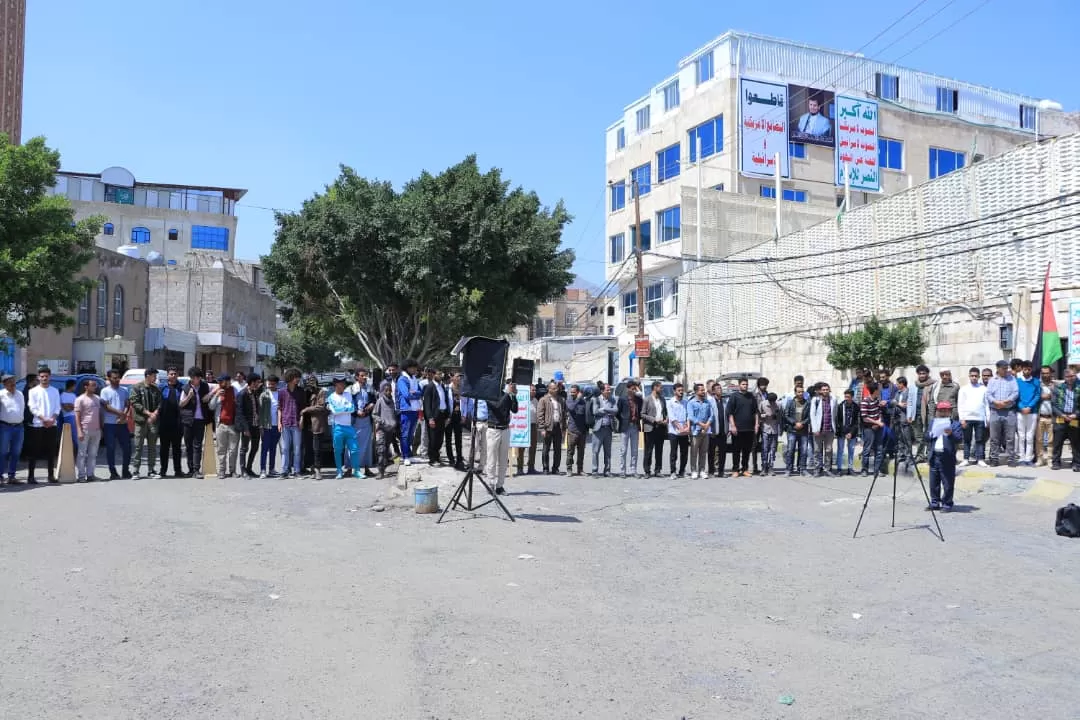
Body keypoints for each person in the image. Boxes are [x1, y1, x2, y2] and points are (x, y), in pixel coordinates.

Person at [26, 367, 62, 484]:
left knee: (51, 451)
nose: (44, 378)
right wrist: (43, 419)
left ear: (50, 377)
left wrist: (52, 419)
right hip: (38, 424)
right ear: (38, 377)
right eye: (42, 376)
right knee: (34, 451)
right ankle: (31, 476)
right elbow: (32, 407)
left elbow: (58, 407)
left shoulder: (55, 391)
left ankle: (51, 476)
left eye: (46, 376)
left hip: (52, 424)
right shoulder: (33, 391)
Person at [926, 401, 963, 511]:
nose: (942, 413)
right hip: (934, 455)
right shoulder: (933, 422)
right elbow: (926, 437)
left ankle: (947, 503)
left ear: (949, 412)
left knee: (947, 482)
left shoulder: (955, 424)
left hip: (947, 456)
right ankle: (935, 502)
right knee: (934, 482)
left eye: (945, 411)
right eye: (940, 410)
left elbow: (959, 439)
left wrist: (951, 433)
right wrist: (930, 434)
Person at [484, 379, 519, 495]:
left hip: (505, 429)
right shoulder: (489, 395)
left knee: (503, 460)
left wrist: (513, 396)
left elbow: (514, 410)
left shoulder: (507, 395)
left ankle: (500, 486)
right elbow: (497, 406)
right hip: (493, 430)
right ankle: (491, 484)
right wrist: (509, 394)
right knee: (491, 460)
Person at [130, 367, 163, 480]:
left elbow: (160, 403)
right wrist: (149, 414)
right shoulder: (137, 387)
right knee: (138, 447)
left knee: (152, 447)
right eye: (154, 376)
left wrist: (155, 413)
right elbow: (135, 402)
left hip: (153, 422)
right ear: (148, 375)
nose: (155, 378)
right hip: (141, 422)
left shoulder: (156, 389)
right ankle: (136, 471)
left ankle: (151, 470)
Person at [326, 375, 361, 479]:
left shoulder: (348, 395)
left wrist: (341, 409)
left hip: (349, 427)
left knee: (354, 449)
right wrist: (344, 408)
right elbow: (334, 411)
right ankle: (339, 471)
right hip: (337, 427)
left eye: (344, 384)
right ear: (336, 385)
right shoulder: (331, 397)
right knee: (338, 450)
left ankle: (357, 471)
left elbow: (352, 408)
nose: (343, 386)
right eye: (341, 384)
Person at [985, 359, 1019, 467]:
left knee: (1010, 437)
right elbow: (988, 394)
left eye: (1006, 368)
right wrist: (996, 402)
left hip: (1009, 411)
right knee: (994, 437)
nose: (1006, 370)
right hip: (995, 411)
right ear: (998, 369)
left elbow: (1015, 392)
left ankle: (1011, 458)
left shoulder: (1012, 379)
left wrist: (1006, 402)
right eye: (1003, 368)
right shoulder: (992, 380)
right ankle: (994, 458)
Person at [180, 367, 211, 478]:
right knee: (189, 446)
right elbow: (181, 404)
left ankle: (197, 470)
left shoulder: (204, 386)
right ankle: (191, 469)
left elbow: (206, 399)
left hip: (200, 420)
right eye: (194, 377)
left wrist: (208, 396)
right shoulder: (186, 388)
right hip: (188, 420)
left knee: (197, 445)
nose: (196, 379)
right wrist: (189, 397)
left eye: (198, 377)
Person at [100, 369, 132, 480]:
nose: (117, 380)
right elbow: (106, 407)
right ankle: (113, 472)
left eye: (118, 377)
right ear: (109, 378)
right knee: (111, 448)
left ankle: (125, 470)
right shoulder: (105, 391)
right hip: (110, 424)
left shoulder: (124, 390)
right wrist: (120, 413)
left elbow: (128, 404)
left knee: (127, 448)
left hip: (122, 424)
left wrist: (125, 415)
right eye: (114, 377)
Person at [209, 374, 241, 478]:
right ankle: (222, 471)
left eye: (221, 381)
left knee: (233, 450)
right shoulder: (218, 391)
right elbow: (211, 406)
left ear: (227, 381)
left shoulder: (234, 390)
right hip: (221, 425)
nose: (219, 383)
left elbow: (239, 405)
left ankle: (233, 470)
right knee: (221, 450)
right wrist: (216, 395)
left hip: (233, 425)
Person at [278, 368, 307, 478]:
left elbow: (303, 408)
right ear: (290, 378)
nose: (298, 379)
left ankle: (297, 470)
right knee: (285, 448)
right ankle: (284, 470)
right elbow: (279, 408)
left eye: (298, 377)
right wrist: (279, 422)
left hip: (296, 423)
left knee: (297, 448)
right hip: (285, 422)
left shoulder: (301, 391)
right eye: (296, 377)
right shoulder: (282, 392)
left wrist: (301, 420)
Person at [727, 378, 759, 477]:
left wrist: (756, 424)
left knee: (747, 450)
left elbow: (755, 412)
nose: (745, 386)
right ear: (739, 385)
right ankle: (735, 469)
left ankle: (745, 469)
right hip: (737, 428)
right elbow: (730, 413)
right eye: (743, 384)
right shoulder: (734, 396)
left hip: (749, 428)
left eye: (746, 384)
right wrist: (733, 425)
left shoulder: (751, 397)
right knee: (736, 450)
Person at [957, 367, 988, 468]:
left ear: (979, 377)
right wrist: (962, 419)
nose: (974, 378)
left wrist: (987, 418)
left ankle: (980, 459)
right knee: (967, 440)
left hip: (980, 418)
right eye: (972, 376)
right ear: (969, 376)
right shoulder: (963, 389)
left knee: (980, 440)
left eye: (976, 376)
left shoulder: (983, 389)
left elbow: (986, 404)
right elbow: (960, 404)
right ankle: (966, 459)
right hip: (967, 418)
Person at [74, 378, 103, 482]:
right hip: (84, 430)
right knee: (82, 454)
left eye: (95, 385)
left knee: (93, 454)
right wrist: (79, 430)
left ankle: (90, 475)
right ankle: (81, 476)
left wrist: (101, 428)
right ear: (86, 387)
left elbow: (100, 414)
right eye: (92, 385)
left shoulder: (97, 399)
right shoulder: (80, 399)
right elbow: (77, 416)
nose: (94, 387)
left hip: (96, 430)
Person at [1051, 367, 1080, 471]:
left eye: (1072, 376)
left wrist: (1075, 415)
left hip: (1074, 419)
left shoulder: (1079, 387)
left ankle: (1077, 463)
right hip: (1061, 418)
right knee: (1057, 442)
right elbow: (1053, 405)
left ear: (1075, 375)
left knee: (1076, 443)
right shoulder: (1058, 388)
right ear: (1065, 377)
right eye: (1068, 376)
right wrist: (1062, 414)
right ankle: (1056, 462)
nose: (1070, 378)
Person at [158, 367, 184, 478]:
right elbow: (157, 403)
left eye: (175, 374)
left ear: (178, 375)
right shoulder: (161, 387)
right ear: (167, 375)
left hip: (178, 422)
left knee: (177, 448)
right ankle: (163, 470)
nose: (173, 376)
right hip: (164, 422)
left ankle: (178, 470)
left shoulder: (182, 387)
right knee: (164, 448)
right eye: (171, 374)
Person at [395, 359, 423, 466]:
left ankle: (410, 455)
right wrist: (416, 394)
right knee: (405, 435)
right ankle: (405, 456)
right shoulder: (402, 379)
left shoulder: (414, 379)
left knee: (411, 434)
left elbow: (421, 392)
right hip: (406, 410)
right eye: (413, 367)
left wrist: (415, 393)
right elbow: (406, 395)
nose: (415, 369)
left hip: (415, 409)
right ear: (407, 368)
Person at [536, 380, 567, 475]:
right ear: (549, 389)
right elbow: (540, 415)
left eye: (556, 388)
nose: (556, 390)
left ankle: (555, 468)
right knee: (546, 448)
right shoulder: (543, 400)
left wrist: (564, 429)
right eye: (553, 388)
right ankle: (545, 468)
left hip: (558, 426)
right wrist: (542, 428)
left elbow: (564, 414)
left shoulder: (561, 399)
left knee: (557, 449)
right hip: (548, 427)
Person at [350, 368, 376, 477]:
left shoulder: (369, 388)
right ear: (357, 377)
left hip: (366, 420)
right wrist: (356, 412)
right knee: (354, 446)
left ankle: (366, 468)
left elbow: (374, 400)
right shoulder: (351, 389)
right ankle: (353, 468)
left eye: (365, 375)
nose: (364, 377)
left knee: (367, 446)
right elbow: (348, 403)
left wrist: (371, 405)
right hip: (355, 421)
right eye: (362, 375)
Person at [0, 374, 26, 484]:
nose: (13, 383)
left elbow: (22, 408)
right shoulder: (1, 395)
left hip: (19, 427)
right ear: (4, 384)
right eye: (10, 381)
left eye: (13, 381)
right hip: (5, 427)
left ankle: (12, 476)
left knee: (16, 452)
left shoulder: (20, 394)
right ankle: (0, 476)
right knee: (3, 452)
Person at [300, 387, 330, 480]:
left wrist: (306, 409)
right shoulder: (303, 392)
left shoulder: (321, 392)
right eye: (308, 383)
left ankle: (317, 469)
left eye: (313, 382)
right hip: (305, 425)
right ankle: (310, 468)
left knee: (317, 449)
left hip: (317, 425)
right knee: (308, 449)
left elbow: (321, 407)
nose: (310, 384)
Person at [809, 382, 837, 477]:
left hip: (829, 429)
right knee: (817, 450)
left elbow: (835, 414)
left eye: (827, 389)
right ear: (821, 390)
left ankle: (828, 469)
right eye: (823, 389)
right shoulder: (815, 400)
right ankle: (817, 469)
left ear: (829, 390)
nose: (825, 391)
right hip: (818, 430)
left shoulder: (833, 399)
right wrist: (814, 428)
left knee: (828, 450)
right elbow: (812, 415)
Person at [589, 383, 618, 476]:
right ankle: (594, 470)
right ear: (602, 391)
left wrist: (604, 409)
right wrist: (608, 410)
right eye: (607, 390)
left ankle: (607, 470)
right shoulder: (596, 399)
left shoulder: (612, 400)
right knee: (595, 451)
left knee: (608, 451)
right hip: (598, 429)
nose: (609, 391)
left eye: (610, 389)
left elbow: (615, 410)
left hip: (608, 428)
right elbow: (595, 411)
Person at [237, 373, 263, 477]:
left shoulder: (255, 393)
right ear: (252, 382)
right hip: (247, 426)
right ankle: (243, 470)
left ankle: (249, 468)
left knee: (255, 447)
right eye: (257, 382)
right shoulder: (242, 394)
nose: (259, 384)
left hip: (255, 425)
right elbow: (240, 413)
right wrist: (245, 428)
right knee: (244, 448)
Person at [1015, 361, 1040, 466]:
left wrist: (1029, 406)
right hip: (1020, 412)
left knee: (1030, 436)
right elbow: (1016, 396)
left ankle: (1029, 458)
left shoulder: (1036, 381)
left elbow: (1037, 395)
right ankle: (1021, 458)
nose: (1027, 371)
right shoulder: (1017, 381)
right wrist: (1021, 407)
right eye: (1025, 369)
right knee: (1021, 436)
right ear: (1022, 369)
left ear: (1031, 369)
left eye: (1029, 369)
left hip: (1032, 412)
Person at [783, 381, 810, 477]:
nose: (801, 393)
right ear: (795, 393)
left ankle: (802, 469)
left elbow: (809, 416)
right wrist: (794, 423)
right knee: (790, 450)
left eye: (802, 392)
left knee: (803, 451)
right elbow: (786, 415)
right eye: (799, 392)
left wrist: (802, 423)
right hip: (792, 430)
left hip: (803, 430)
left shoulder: (807, 403)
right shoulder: (790, 402)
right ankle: (789, 469)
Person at [422, 369, 448, 467]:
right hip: (433, 416)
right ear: (433, 375)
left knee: (440, 439)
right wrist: (430, 418)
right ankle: (432, 459)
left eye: (441, 374)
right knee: (433, 438)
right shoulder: (429, 387)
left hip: (442, 415)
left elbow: (444, 400)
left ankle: (437, 457)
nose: (440, 375)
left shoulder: (442, 386)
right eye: (438, 374)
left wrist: (447, 415)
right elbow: (427, 404)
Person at [641, 380, 667, 478]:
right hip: (650, 428)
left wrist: (665, 419)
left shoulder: (662, 399)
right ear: (655, 387)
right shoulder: (647, 399)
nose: (662, 389)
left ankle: (658, 470)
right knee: (648, 450)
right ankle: (647, 471)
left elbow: (665, 412)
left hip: (661, 428)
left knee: (659, 450)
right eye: (660, 387)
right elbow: (642, 414)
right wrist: (654, 420)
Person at [616, 380, 642, 477]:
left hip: (635, 426)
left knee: (634, 450)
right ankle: (622, 470)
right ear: (628, 389)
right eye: (632, 389)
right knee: (623, 450)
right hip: (625, 427)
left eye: (635, 388)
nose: (634, 390)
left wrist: (638, 390)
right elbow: (618, 412)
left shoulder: (638, 399)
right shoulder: (622, 399)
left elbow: (641, 409)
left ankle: (633, 470)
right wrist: (623, 419)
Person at [373, 380, 398, 478]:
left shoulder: (392, 401)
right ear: (383, 391)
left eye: (390, 390)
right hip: (382, 429)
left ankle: (385, 465)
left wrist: (394, 423)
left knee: (387, 450)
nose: (388, 392)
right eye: (386, 390)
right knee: (381, 450)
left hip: (390, 430)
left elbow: (393, 414)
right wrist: (382, 421)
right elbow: (374, 415)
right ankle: (380, 471)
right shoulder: (380, 401)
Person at [687, 383, 713, 479]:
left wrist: (707, 425)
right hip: (695, 431)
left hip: (705, 431)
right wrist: (701, 424)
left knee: (703, 452)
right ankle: (693, 471)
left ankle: (702, 470)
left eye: (704, 390)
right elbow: (691, 416)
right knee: (694, 452)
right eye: (701, 390)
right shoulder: (691, 403)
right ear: (696, 391)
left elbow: (711, 415)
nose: (703, 391)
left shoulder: (707, 402)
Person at [859, 380, 884, 476]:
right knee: (867, 449)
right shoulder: (865, 401)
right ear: (875, 390)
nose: (879, 391)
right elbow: (865, 417)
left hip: (878, 427)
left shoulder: (877, 401)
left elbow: (879, 413)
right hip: (869, 429)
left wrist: (879, 422)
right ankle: (864, 469)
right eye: (878, 389)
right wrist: (876, 422)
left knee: (879, 449)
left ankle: (877, 470)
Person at [259, 375, 281, 478]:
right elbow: (260, 411)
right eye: (269, 383)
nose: (271, 385)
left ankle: (271, 469)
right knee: (264, 448)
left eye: (273, 383)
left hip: (278, 426)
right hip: (266, 426)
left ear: (277, 384)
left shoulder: (281, 394)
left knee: (273, 448)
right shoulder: (264, 395)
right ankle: (263, 469)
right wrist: (261, 426)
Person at [565, 385, 589, 476]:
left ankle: (580, 469)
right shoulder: (569, 400)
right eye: (571, 392)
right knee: (570, 451)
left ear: (578, 392)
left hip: (582, 431)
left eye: (574, 392)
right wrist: (578, 399)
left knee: (581, 451)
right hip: (572, 430)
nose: (572, 393)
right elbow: (571, 408)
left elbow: (586, 415)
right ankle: (569, 469)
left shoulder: (583, 401)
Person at [834, 389, 860, 475]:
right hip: (842, 431)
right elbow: (838, 421)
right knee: (840, 450)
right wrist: (844, 432)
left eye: (848, 397)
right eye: (845, 396)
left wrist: (851, 433)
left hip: (852, 432)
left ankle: (850, 468)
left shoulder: (856, 407)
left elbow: (857, 422)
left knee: (851, 450)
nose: (846, 398)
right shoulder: (840, 406)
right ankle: (839, 468)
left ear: (852, 397)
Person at [515, 385, 539, 476]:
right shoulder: (521, 399)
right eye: (532, 390)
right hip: (522, 426)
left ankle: (531, 467)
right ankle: (520, 468)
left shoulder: (536, 401)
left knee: (533, 447)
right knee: (521, 448)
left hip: (533, 426)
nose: (534, 391)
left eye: (535, 390)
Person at [667, 383, 690, 478]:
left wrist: (687, 427)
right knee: (674, 452)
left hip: (684, 431)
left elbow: (688, 415)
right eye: (679, 390)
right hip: (674, 431)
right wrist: (680, 428)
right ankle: (673, 471)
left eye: (682, 390)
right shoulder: (670, 402)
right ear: (674, 391)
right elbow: (672, 417)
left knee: (684, 452)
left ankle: (682, 471)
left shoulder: (686, 402)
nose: (681, 392)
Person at [1036, 365, 1056, 467]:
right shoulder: (1038, 385)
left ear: (1051, 374)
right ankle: (1040, 459)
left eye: (1047, 373)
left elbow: (1058, 399)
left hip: (1051, 417)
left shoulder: (1055, 385)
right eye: (1043, 373)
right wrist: (1041, 397)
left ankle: (1049, 459)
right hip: (1040, 416)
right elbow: (1033, 397)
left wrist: (1050, 396)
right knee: (1039, 439)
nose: (1045, 375)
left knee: (1051, 440)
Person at [444, 372, 464, 471]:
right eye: (457, 376)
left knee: (458, 438)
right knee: (448, 438)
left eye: (460, 377)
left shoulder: (463, 389)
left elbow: (466, 402)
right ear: (452, 378)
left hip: (459, 415)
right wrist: (446, 416)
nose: (459, 378)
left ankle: (459, 458)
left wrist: (464, 415)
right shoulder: (447, 388)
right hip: (449, 416)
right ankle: (451, 458)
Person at [760, 392, 781, 475]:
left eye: (773, 401)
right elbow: (758, 415)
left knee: (773, 449)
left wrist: (775, 416)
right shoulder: (763, 404)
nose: (772, 403)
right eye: (771, 401)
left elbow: (780, 417)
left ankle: (771, 467)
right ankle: (764, 467)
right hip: (765, 428)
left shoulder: (778, 405)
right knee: (765, 449)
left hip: (774, 429)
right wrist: (765, 415)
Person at [60, 379, 78, 458]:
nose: (75, 387)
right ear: (71, 386)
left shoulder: (74, 395)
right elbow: (67, 408)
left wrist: (71, 405)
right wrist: (72, 405)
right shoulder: (63, 395)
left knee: (76, 436)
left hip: (75, 416)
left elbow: (77, 407)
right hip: (68, 417)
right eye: (74, 386)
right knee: (73, 436)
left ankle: (76, 453)